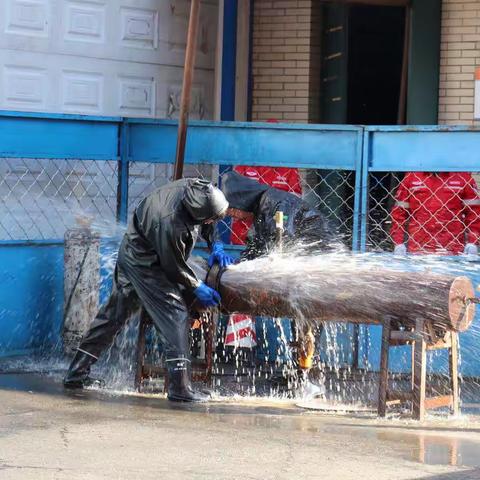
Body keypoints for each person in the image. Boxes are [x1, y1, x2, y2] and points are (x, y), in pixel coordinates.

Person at [64, 178, 233, 403]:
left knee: (114, 315)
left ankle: (76, 373)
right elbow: (172, 266)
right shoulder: (168, 220)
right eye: (211, 218)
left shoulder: (197, 191)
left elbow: (207, 219)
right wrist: (197, 286)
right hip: (145, 264)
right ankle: (180, 389)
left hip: (133, 253)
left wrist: (216, 243)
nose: (211, 221)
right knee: (175, 314)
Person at [222, 171, 339, 259]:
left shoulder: (275, 204)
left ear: (241, 201)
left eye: (233, 211)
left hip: (322, 254)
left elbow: (283, 246)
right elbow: (257, 248)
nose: (235, 217)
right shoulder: (262, 208)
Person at [391, 172, 480, 256]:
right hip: (418, 249)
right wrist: (398, 243)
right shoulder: (412, 177)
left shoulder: (462, 177)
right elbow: (399, 213)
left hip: (453, 250)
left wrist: (473, 242)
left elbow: (475, 213)